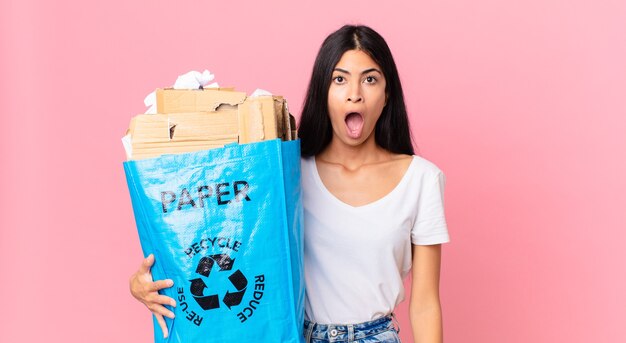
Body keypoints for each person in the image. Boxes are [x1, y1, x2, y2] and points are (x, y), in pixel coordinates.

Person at [130, 25, 450, 343]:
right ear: (322, 91)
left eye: (370, 79)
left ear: (387, 93)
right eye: (340, 79)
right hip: (297, 335)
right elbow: (222, 237)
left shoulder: (421, 179)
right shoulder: (284, 174)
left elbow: (424, 305)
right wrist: (142, 283)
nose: (355, 92)